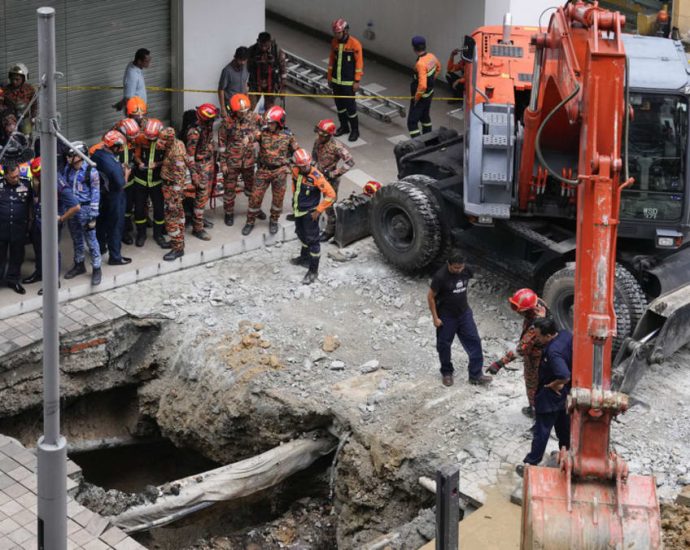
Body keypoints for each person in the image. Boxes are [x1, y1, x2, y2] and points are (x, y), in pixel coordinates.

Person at [516, 317, 572, 476]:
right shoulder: (566, 335)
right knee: (564, 427)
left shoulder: (553, 352)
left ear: (548, 336)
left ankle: (531, 463)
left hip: (550, 395)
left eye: (539, 336)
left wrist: (554, 384)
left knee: (541, 431)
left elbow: (564, 375)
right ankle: (566, 454)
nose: (537, 339)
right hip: (565, 394)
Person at [428, 250, 492, 387]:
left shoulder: (466, 270)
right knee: (444, 345)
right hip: (446, 316)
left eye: (460, 267)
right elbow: (430, 297)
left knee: (474, 341)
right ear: (448, 264)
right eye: (455, 268)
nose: (458, 270)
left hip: (464, 313)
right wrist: (435, 318)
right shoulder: (440, 277)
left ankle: (476, 375)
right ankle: (446, 372)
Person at [485, 288, 549, 418]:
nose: (518, 312)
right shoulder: (539, 304)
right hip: (545, 353)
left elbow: (521, 349)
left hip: (537, 358)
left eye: (520, 310)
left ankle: (536, 412)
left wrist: (499, 363)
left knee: (533, 385)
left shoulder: (534, 328)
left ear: (528, 310)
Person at [23, 157, 80, 291]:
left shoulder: (58, 183)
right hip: (38, 220)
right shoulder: (41, 178)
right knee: (39, 249)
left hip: (51, 224)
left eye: (39, 176)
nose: (38, 178)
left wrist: (61, 219)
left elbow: (76, 206)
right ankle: (40, 273)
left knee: (52, 252)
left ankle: (53, 282)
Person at [242, 105, 298, 236]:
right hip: (263, 171)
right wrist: (247, 139)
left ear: (279, 123)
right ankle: (250, 221)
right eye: (268, 123)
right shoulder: (263, 132)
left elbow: (296, 153)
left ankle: (274, 220)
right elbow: (252, 136)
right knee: (255, 197)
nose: (269, 125)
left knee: (278, 199)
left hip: (279, 172)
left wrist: (288, 165)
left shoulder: (288, 136)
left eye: (272, 123)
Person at [289, 148, 335, 285]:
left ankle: (313, 271)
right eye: (302, 166)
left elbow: (331, 195)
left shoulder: (317, 177)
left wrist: (319, 210)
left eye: (306, 165)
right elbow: (295, 186)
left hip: (310, 213)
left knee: (313, 241)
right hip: (298, 210)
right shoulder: (296, 171)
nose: (304, 168)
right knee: (301, 234)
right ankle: (304, 258)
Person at [218, 93, 263, 227]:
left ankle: (255, 210)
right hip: (232, 162)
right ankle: (229, 213)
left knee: (252, 188)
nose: (243, 113)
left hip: (248, 161)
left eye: (245, 111)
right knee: (229, 189)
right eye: (240, 111)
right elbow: (221, 144)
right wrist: (223, 163)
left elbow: (265, 129)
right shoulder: (227, 123)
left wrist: (253, 136)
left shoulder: (254, 118)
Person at [62, 142, 102, 286]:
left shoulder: (91, 171)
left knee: (91, 240)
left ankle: (97, 267)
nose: (68, 158)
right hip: (72, 209)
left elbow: (96, 193)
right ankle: (79, 264)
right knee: (76, 239)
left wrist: (93, 214)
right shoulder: (68, 169)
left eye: (70, 155)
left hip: (86, 210)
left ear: (79, 156)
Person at [311, 118, 355, 242]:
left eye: (322, 135)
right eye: (319, 134)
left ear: (329, 135)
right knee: (311, 198)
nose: (320, 137)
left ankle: (330, 230)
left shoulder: (337, 147)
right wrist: (311, 168)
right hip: (317, 176)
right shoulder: (318, 141)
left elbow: (350, 162)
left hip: (330, 180)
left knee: (329, 206)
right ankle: (312, 220)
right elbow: (314, 156)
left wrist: (334, 173)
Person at [93, 130, 131, 266]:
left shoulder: (97, 154)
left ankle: (101, 247)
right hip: (115, 197)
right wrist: (126, 173)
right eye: (119, 147)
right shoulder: (113, 164)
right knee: (116, 226)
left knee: (101, 222)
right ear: (114, 146)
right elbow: (121, 183)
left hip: (102, 194)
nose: (120, 149)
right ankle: (115, 256)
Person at [132, 118, 168, 248]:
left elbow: (169, 159)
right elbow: (135, 155)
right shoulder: (141, 138)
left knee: (159, 209)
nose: (150, 140)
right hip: (140, 180)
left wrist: (157, 164)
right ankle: (141, 234)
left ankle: (158, 235)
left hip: (157, 182)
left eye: (153, 138)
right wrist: (139, 162)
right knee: (139, 210)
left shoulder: (165, 142)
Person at [186, 103, 219, 241]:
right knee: (200, 198)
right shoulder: (194, 132)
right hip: (200, 167)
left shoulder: (207, 126)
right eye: (210, 120)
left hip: (209, 163)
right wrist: (194, 175)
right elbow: (189, 157)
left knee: (205, 197)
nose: (212, 123)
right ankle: (197, 228)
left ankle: (198, 219)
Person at [327, 19, 363, 142]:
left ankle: (355, 130)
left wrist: (357, 81)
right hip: (337, 81)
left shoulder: (355, 44)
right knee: (340, 106)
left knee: (351, 108)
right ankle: (344, 127)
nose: (336, 35)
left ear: (345, 31)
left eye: (338, 33)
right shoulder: (334, 42)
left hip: (348, 83)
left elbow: (359, 64)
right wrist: (330, 77)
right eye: (335, 33)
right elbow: (332, 61)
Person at [0, 163, 32, 294]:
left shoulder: (26, 184)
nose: (16, 179)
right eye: (13, 177)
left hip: (19, 228)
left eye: (18, 176)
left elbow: (31, 204)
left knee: (17, 256)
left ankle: (13, 280)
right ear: (6, 175)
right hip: (1, 228)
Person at [158, 127, 187, 261]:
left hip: (173, 191)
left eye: (162, 140)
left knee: (171, 219)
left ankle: (177, 249)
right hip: (169, 188)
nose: (160, 142)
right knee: (179, 217)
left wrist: (173, 200)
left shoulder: (177, 153)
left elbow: (179, 178)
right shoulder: (175, 144)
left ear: (169, 140)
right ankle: (178, 242)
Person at [408, 36, 441, 137]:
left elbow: (422, 85)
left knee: (412, 123)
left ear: (413, 48)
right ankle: (428, 139)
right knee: (425, 117)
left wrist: (416, 98)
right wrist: (432, 81)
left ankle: (418, 144)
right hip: (429, 94)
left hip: (421, 97)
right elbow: (438, 68)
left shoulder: (420, 64)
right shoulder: (431, 57)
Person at [247, 32, 287, 111]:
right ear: (258, 41)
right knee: (251, 108)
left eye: (266, 45)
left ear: (270, 42)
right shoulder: (252, 51)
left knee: (269, 109)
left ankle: (267, 123)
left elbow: (283, 71)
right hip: (255, 83)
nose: (263, 48)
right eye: (261, 45)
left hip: (271, 84)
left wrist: (283, 88)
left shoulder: (277, 51)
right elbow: (247, 68)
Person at [2, 64, 36, 136]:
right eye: (12, 79)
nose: (14, 81)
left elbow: (34, 103)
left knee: (27, 139)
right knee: (12, 139)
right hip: (10, 120)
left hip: (25, 119)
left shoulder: (29, 89)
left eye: (17, 79)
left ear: (23, 78)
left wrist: (33, 117)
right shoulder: (5, 90)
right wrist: (7, 115)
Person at [218, 47, 249, 118]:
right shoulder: (227, 71)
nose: (242, 63)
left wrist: (247, 98)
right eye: (240, 60)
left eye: (244, 60)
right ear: (235, 57)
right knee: (230, 126)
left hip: (242, 106)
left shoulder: (245, 67)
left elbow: (245, 83)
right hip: (230, 107)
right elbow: (221, 90)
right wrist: (223, 108)